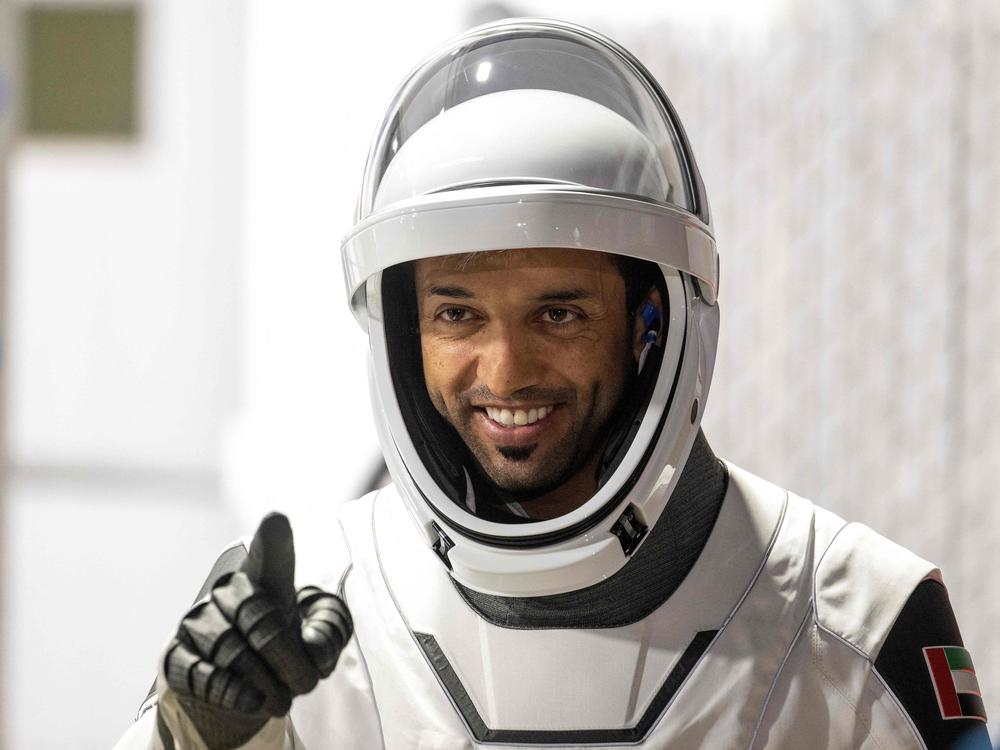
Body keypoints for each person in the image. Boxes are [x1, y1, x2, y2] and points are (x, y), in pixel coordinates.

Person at [113, 18, 991, 750]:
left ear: (655, 325)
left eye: (559, 314)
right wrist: (198, 731)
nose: (505, 373)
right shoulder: (298, 628)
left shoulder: (859, 623)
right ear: (400, 331)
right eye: (457, 316)